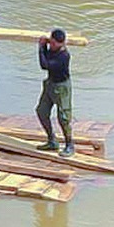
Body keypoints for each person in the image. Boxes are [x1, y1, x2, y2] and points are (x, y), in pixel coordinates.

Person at [36, 28, 74, 157]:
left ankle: (69, 145)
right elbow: (46, 58)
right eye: (50, 43)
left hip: (62, 87)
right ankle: (52, 140)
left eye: (54, 44)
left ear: (61, 43)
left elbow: (44, 65)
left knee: (63, 117)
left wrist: (41, 48)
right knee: (41, 111)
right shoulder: (52, 50)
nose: (51, 46)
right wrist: (45, 46)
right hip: (50, 84)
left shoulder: (64, 56)